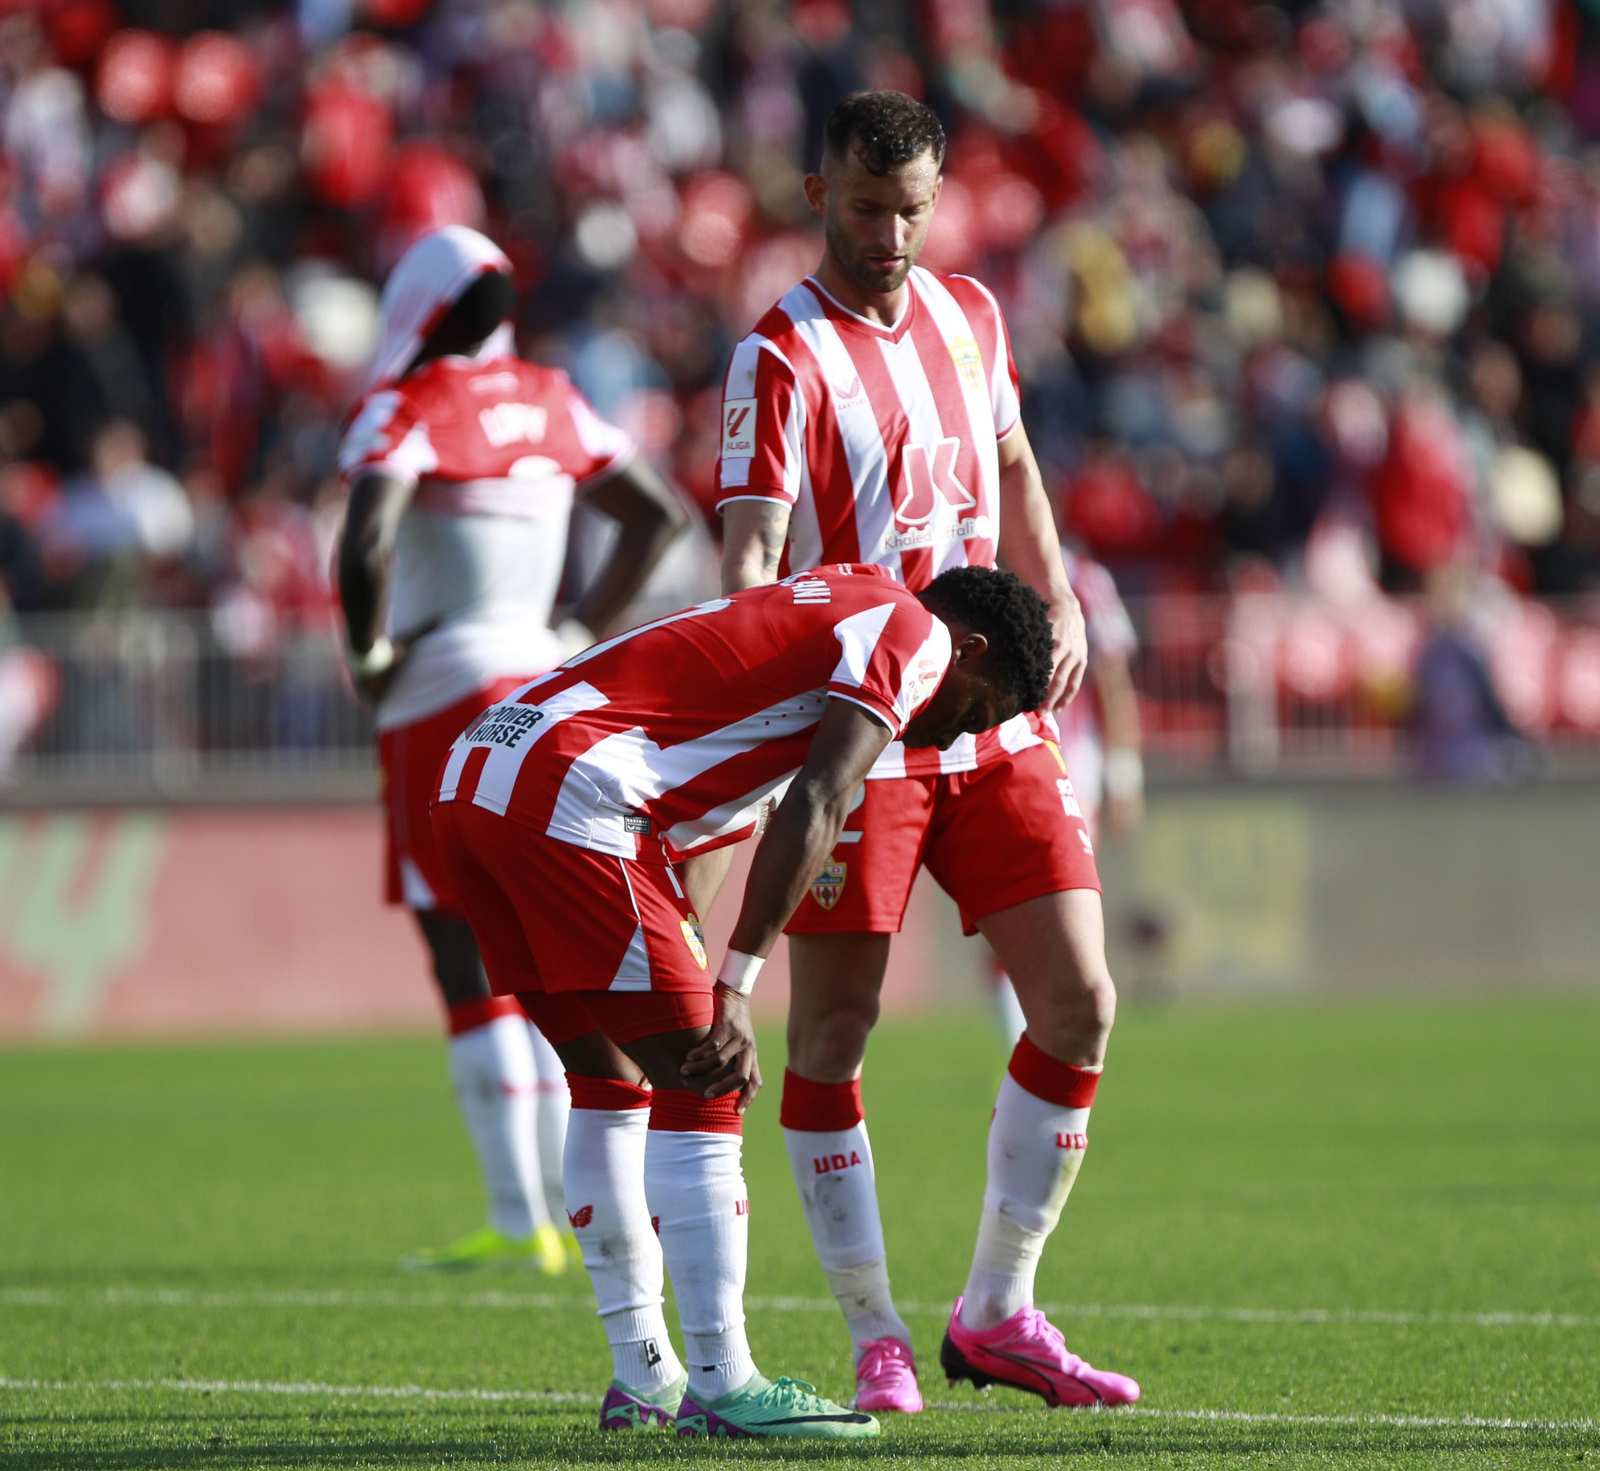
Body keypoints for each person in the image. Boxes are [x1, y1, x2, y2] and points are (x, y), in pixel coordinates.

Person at [715, 91, 1141, 1413]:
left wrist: (1057, 594)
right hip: (865, 734)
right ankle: (873, 1327)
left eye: (911, 207)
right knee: (835, 1031)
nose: (890, 232)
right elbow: (749, 552)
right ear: (816, 193)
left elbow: (1013, 466)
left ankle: (1000, 1306)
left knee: (1081, 999)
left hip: (996, 717)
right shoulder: (778, 354)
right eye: (864, 207)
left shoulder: (973, 315)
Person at [430, 561, 1055, 1438]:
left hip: (477, 771)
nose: (952, 733)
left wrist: (694, 968)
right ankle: (724, 1381)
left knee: (611, 1081)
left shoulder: (826, 621)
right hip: (572, 787)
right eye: (977, 709)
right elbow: (823, 797)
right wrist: (735, 982)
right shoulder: (915, 633)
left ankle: (642, 1378)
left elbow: (702, 843)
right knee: (708, 1080)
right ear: (972, 650)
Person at [336, 225, 685, 1272]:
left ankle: (521, 1212)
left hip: (442, 685)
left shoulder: (401, 407)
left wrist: (366, 653)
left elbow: (364, 539)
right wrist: (580, 630)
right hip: (540, 682)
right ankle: (576, 1210)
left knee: (461, 953)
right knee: (541, 945)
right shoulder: (554, 395)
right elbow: (657, 515)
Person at [992, 546, 1143, 1045]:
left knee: (1061, 908)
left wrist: (1123, 775)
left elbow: (1113, 679)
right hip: (991, 755)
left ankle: (1050, 1036)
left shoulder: (1083, 577)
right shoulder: (972, 561)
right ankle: (1023, 1041)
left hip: (1068, 761)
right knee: (998, 906)